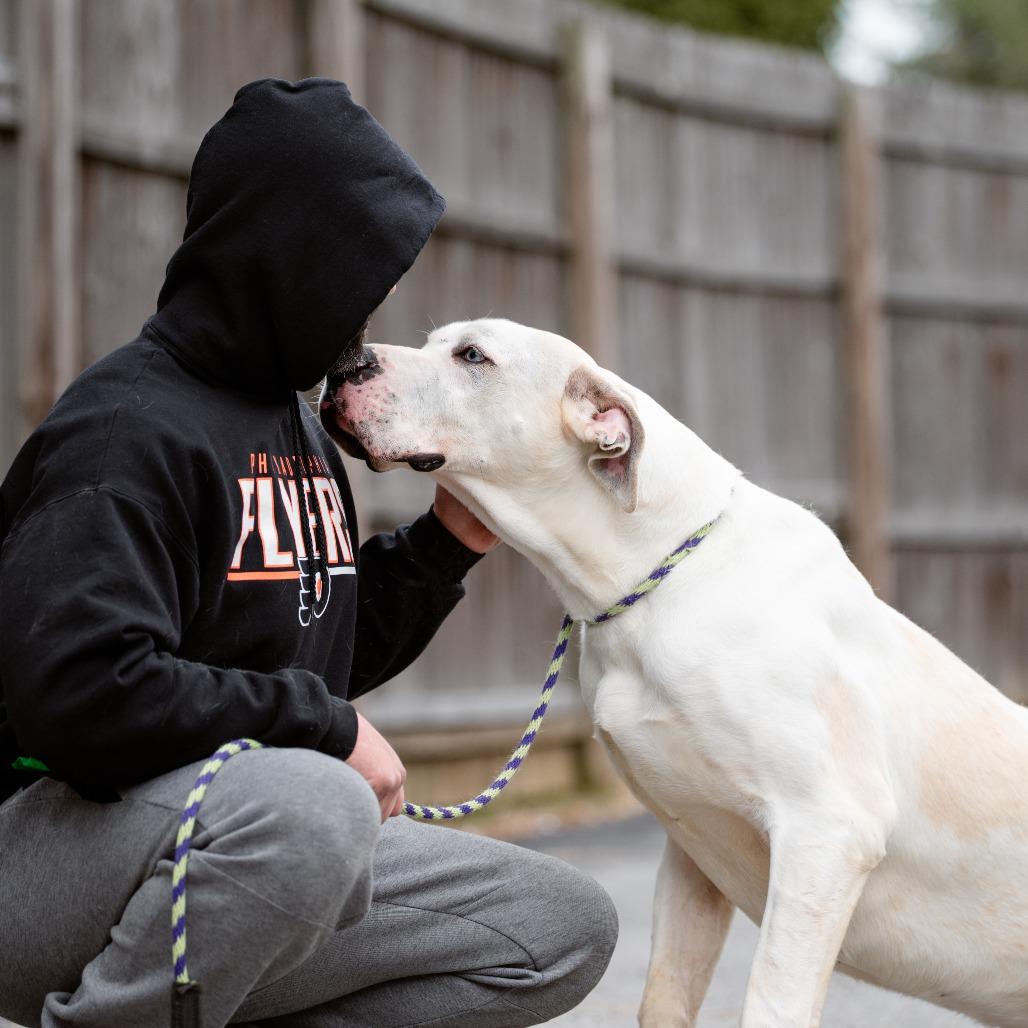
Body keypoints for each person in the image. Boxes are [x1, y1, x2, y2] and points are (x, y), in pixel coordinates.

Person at [0, 78, 617, 1028]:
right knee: (313, 806)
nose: (384, 294)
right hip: (46, 851)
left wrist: (452, 540)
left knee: (554, 926)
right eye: (368, 267)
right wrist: (321, 730)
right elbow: (80, 689)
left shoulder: (290, 419)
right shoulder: (124, 436)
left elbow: (314, 647)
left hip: (225, 838)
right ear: (288, 257)